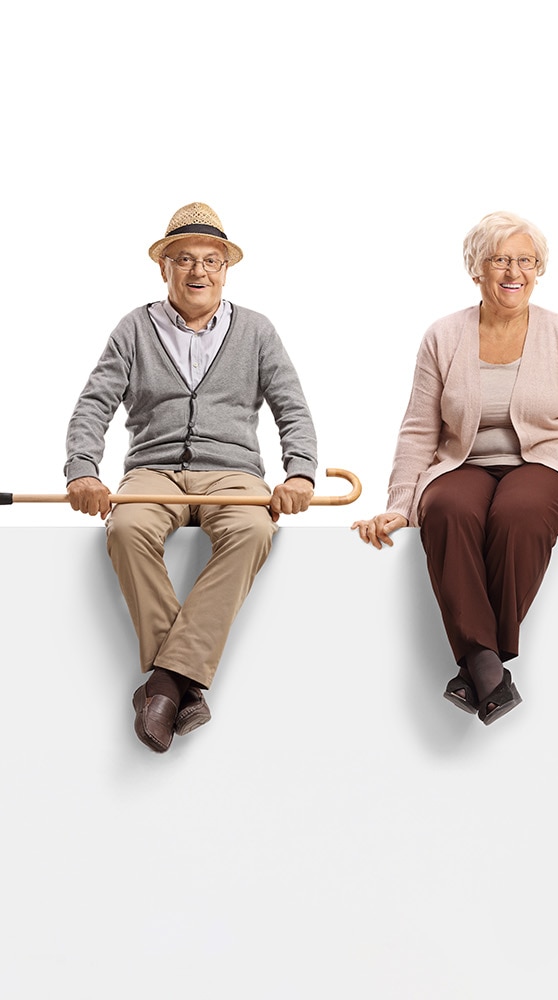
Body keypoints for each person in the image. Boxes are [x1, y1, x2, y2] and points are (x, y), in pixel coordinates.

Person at [352, 212, 558, 725]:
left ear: (538, 269)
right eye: (500, 259)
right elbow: (419, 430)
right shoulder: (443, 335)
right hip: (462, 461)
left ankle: (478, 665)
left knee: (520, 512)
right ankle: (488, 670)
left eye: (525, 261)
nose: (514, 272)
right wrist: (398, 506)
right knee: (445, 509)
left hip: (545, 462)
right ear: (476, 270)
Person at [63, 203, 319, 753]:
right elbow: (93, 406)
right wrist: (83, 470)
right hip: (153, 473)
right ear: (164, 268)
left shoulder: (256, 330)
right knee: (126, 530)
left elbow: (292, 409)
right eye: (184, 260)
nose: (198, 272)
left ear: (226, 269)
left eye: (211, 261)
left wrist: (299, 472)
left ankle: (162, 685)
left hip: (234, 474)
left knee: (252, 532)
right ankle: (182, 684)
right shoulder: (134, 328)